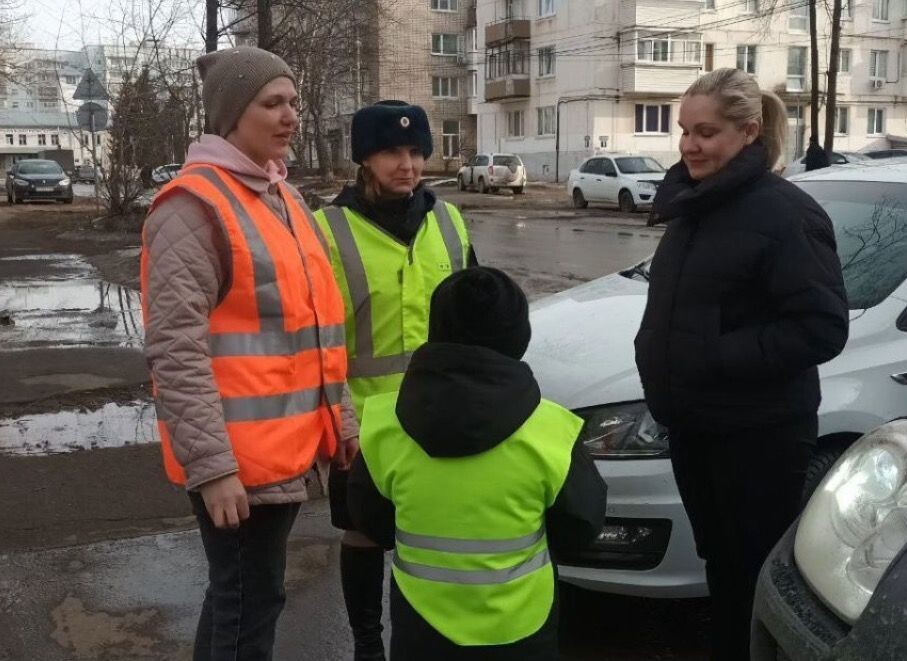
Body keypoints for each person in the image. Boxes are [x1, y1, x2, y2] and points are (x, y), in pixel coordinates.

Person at [141, 47, 359, 660]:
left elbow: (312, 328)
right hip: (237, 463)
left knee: (239, 601)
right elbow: (175, 351)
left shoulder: (281, 195)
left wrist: (339, 418)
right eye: (272, 103)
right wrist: (213, 470)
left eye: (293, 101)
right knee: (248, 607)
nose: (290, 116)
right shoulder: (192, 207)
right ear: (232, 113)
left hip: (283, 450)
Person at [634, 68, 849, 659]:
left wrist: (709, 355)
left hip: (758, 435)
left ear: (749, 132)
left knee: (753, 572)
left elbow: (821, 328)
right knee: (721, 566)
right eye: (684, 131)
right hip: (697, 426)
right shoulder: (695, 205)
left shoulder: (786, 214)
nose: (689, 145)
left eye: (706, 133)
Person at [347, 267, 607, 661]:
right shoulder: (552, 431)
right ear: (518, 336)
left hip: (422, 630)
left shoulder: (384, 427)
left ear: (436, 330)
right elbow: (581, 526)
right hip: (522, 628)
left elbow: (372, 521)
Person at [312, 100, 476, 661]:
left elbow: (472, 321)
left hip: (438, 417)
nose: (407, 165)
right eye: (391, 153)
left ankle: (422, 640)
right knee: (362, 535)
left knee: (431, 536)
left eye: (415, 152)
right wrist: (341, 418)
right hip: (364, 425)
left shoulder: (449, 221)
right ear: (364, 159)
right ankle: (366, 644)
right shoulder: (326, 231)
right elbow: (318, 339)